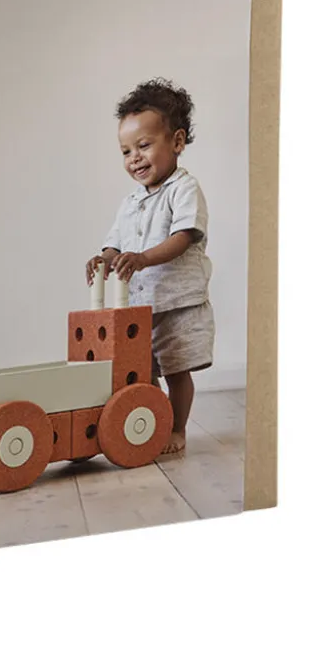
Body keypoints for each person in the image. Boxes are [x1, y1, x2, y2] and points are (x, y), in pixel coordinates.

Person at [85, 78, 213, 456]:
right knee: (140, 370)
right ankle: (151, 424)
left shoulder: (184, 189)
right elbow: (115, 243)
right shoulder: (130, 202)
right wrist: (104, 259)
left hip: (178, 303)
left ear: (177, 142)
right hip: (141, 308)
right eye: (126, 151)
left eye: (144, 146)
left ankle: (177, 428)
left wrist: (142, 259)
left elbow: (183, 237)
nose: (134, 158)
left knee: (176, 369)